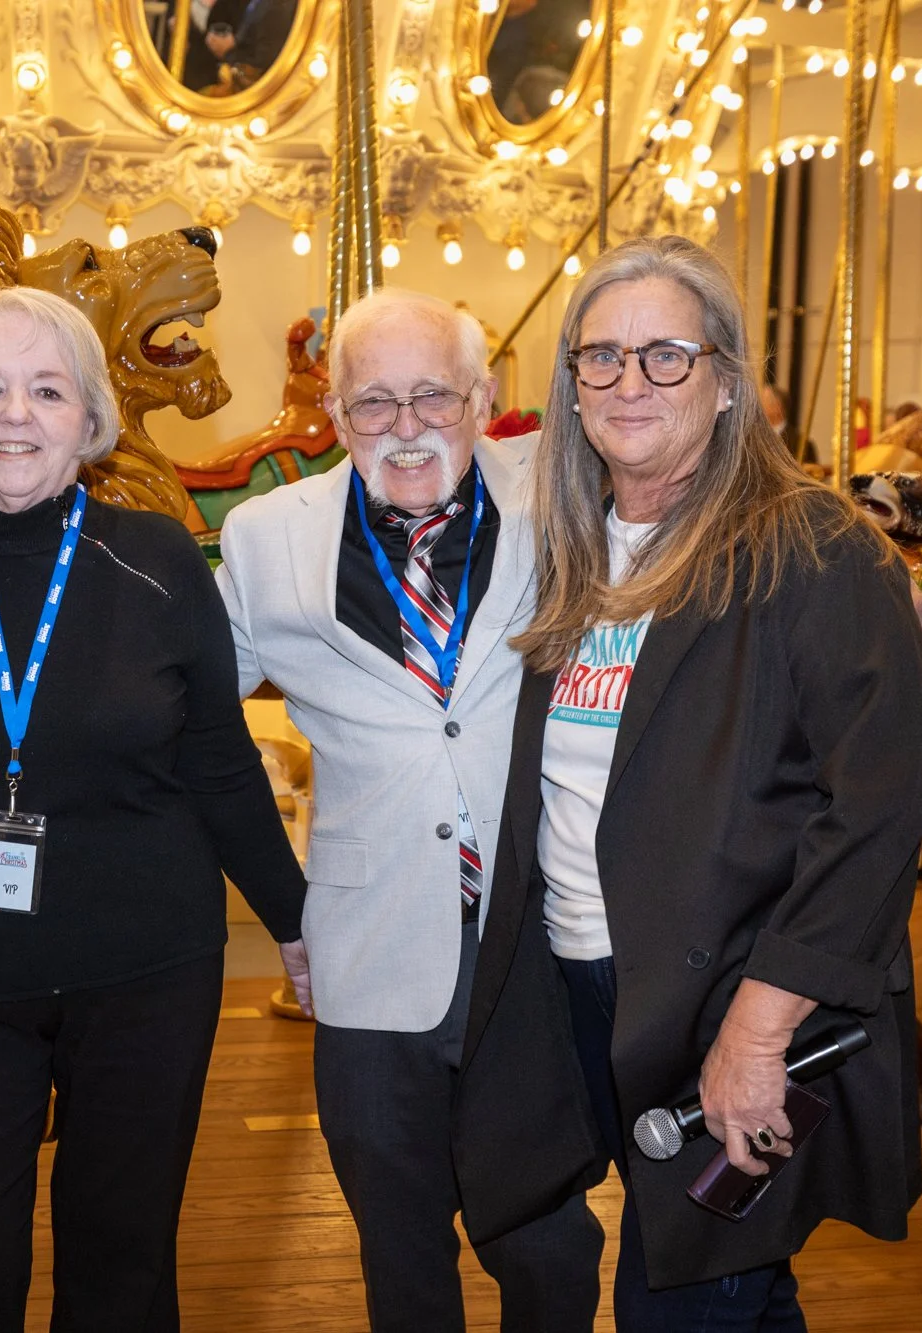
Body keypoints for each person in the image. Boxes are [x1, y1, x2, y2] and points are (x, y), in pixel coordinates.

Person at [459, 234, 922, 1329]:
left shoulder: (810, 549)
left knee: (680, 1299)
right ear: (569, 385)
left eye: (665, 356)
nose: (630, 383)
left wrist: (757, 1034)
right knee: (730, 1291)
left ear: (725, 381)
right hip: (588, 988)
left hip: (731, 999)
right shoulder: (577, 550)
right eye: (601, 358)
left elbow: (872, 812)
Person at [0, 285, 306, 1331]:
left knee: (122, 1266)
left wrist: (295, 920)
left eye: (47, 390)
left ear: (90, 420)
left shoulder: (159, 558)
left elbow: (220, 767)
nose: (15, 415)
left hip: (146, 977)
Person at [216, 287, 602, 1333]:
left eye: (430, 394)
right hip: (367, 947)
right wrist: (281, 905)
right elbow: (191, 727)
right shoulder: (262, 541)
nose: (403, 426)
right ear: (334, 415)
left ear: (482, 399)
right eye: (372, 402)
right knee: (398, 1255)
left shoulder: (567, 506)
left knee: (550, 1244)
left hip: (535, 939)